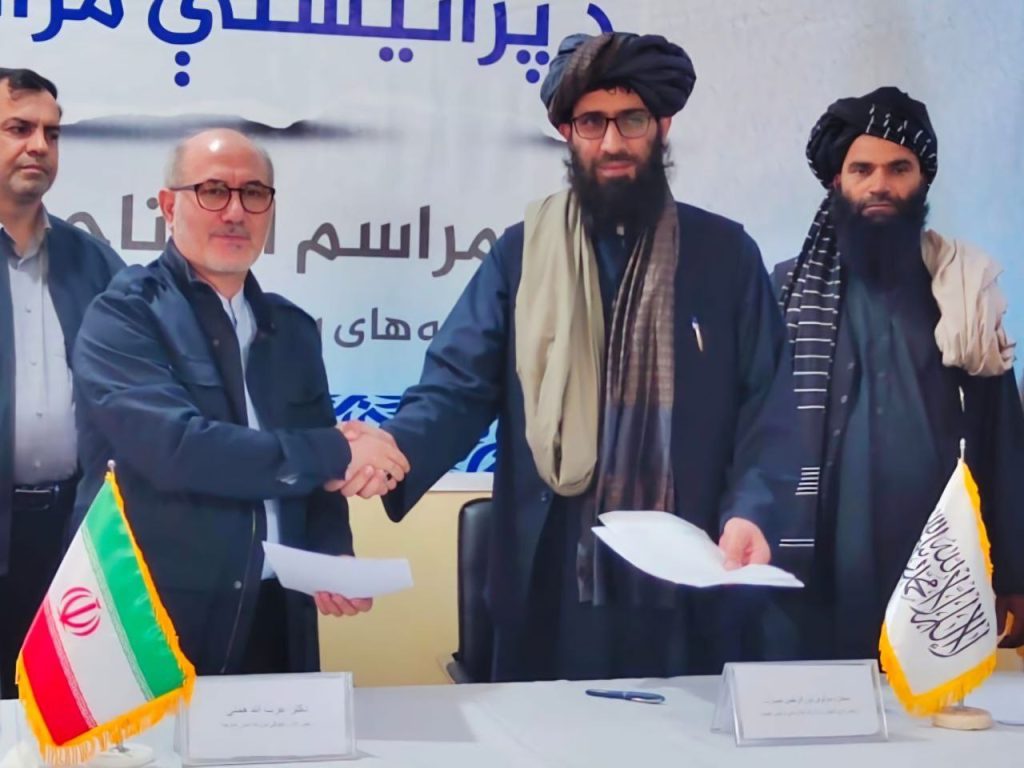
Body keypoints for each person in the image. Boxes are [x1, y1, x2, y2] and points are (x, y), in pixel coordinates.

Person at [346, 31, 798, 682]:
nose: (612, 143)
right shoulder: (522, 253)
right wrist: (395, 448)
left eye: (631, 120)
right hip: (552, 571)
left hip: (691, 573)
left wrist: (752, 511)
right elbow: (458, 386)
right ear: (567, 132)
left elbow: (769, 408)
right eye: (592, 122)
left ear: (663, 126)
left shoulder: (725, 255)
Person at [72, 129, 409, 674]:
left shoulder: (292, 329)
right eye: (213, 191)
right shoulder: (124, 316)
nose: (234, 212)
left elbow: (318, 482)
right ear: (168, 206)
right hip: (155, 614)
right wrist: (338, 451)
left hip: (278, 609)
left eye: (253, 193)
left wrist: (332, 552)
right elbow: (178, 450)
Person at [771, 87, 1024, 659]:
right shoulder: (785, 291)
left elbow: (1001, 438)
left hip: (938, 562)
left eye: (898, 168)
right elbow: (752, 435)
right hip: (815, 565)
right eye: (862, 169)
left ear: (923, 181)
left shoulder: (964, 292)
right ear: (836, 180)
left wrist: (1014, 570)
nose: (879, 184)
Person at [0, 68, 123, 698]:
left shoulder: (93, 261)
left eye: (51, 133)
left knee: (64, 708)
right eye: (18, 128)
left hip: (72, 535)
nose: (39, 146)